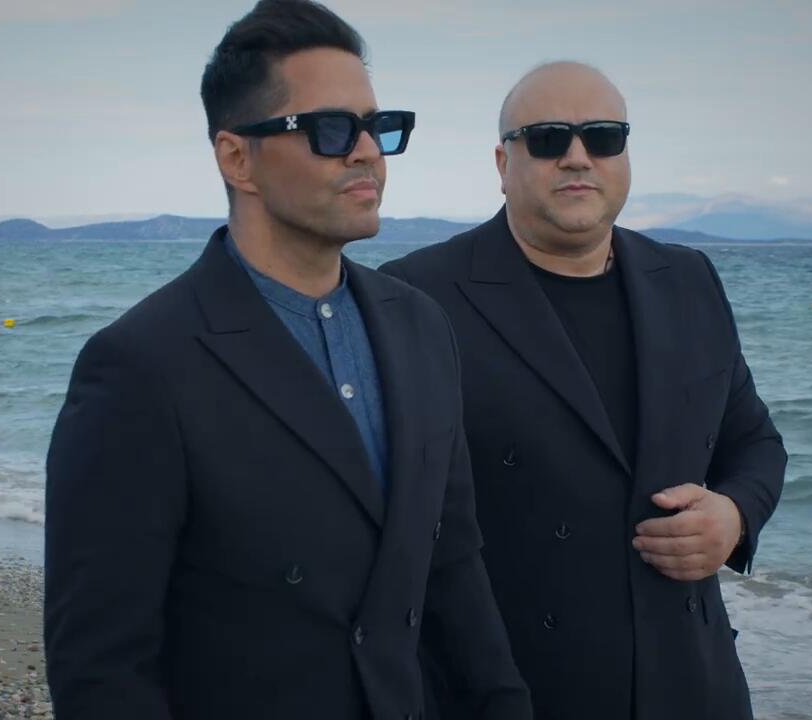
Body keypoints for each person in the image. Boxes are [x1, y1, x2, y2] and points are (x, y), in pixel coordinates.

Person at [43, 2, 530, 718]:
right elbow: (101, 668)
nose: (365, 152)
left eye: (377, 126)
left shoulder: (421, 328)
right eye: (331, 129)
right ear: (237, 158)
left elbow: (451, 565)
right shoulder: (141, 367)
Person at [382, 61, 786, 720]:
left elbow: (756, 442)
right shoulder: (416, 295)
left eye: (603, 137)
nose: (578, 156)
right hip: (511, 688)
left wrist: (734, 516)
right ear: (502, 163)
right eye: (547, 139)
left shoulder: (687, 279)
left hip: (691, 682)